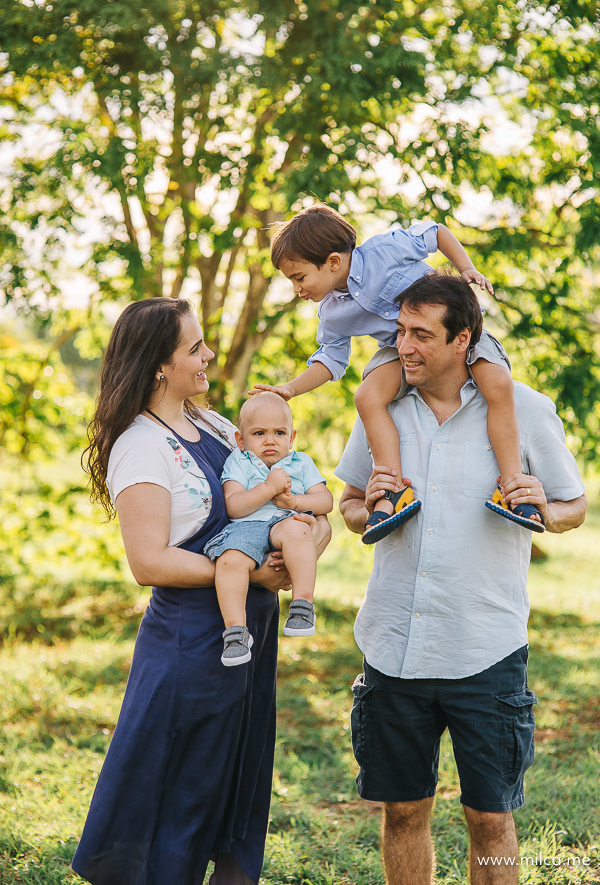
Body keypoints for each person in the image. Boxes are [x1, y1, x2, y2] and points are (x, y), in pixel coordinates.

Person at [335, 273, 587, 885]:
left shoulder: (524, 409)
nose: (405, 347)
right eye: (399, 332)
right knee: (402, 811)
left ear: (462, 339)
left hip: (485, 649)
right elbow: (347, 506)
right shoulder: (382, 407)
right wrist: (366, 503)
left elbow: (573, 506)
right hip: (394, 645)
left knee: (491, 820)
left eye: (421, 334)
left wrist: (544, 510)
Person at [71, 297, 331, 885]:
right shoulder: (141, 445)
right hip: (191, 640)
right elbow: (148, 560)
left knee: (229, 781)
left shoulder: (216, 425)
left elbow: (298, 501)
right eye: (195, 347)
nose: (209, 354)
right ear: (160, 366)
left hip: (250, 634)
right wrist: (250, 574)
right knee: (183, 791)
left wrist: (306, 541)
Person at [252, 204, 534, 547]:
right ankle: (394, 489)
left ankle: (513, 486)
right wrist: (291, 388)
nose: (297, 289)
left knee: (498, 383)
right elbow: (330, 360)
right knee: (367, 396)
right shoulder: (333, 313)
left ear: (333, 262)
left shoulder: (383, 251)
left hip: (449, 334)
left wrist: (467, 268)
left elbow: (435, 233)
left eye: (299, 278)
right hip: (400, 352)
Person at [204, 392, 333, 666]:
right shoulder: (239, 461)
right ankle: (236, 631)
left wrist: (295, 502)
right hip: (248, 525)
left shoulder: (301, 462)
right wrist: (268, 489)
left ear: (292, 437)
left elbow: (325, 501)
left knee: (299, 531)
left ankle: (302, 605)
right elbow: (234, 506)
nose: (270, 440)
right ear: (241, 439)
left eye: (279, 432)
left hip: (284, 521)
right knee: (229, 560)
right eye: (259, 433)